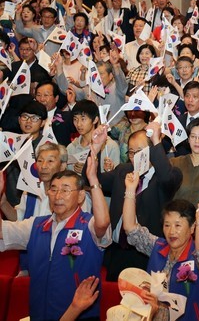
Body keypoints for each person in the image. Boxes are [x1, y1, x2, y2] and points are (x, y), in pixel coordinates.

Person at [0, 157, 111, 320]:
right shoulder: (36, 225)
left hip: (81, 315)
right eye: (53, 189)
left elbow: (103, 223)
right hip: (39, 313)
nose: (57, 195)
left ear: (80, 196)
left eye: (65, 190)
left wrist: (93, 179)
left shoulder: (87, 225)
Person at [89, 123, 183, 281]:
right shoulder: (122, 171)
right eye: (131, 153)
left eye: (140, 152)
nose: (135, 158)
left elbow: (167, 178)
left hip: (146, 254)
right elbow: (92, 178)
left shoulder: (168, 175)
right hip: (117, 252)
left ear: (151, 151)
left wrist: (156, 141)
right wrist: (96, 149)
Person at [123, 172, 199, 320]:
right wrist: (130, 190)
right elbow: (130, 228)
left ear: (192, 229)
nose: (171, 231)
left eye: (178, 225)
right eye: (167, 225)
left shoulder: (197, 255)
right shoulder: (157, 246)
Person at [67, 100, 120, 174]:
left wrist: (88, 170)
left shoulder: (110, 146)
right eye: (75, 119)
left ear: (95, 120)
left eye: (83, 119)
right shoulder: (71, 148)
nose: (78, 124)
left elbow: (115, 177)